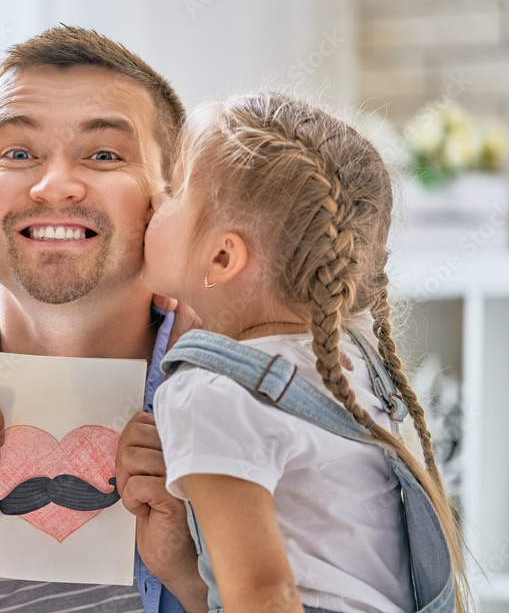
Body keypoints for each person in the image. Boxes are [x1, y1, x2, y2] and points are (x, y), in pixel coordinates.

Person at [0, 27, 208, 613]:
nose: (54, 186)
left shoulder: (253, 408)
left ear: (169, 204)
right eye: (17, 154)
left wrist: (193, 575)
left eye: (104, 154)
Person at [145, 91, 470, 612]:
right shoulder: (351, 353)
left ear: (224, 256)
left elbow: (262, 597)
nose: (155, 197)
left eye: (175, 189)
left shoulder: (209, 393)